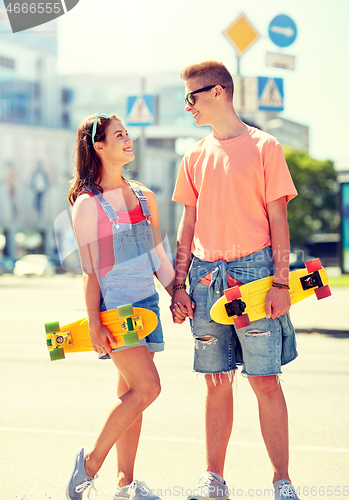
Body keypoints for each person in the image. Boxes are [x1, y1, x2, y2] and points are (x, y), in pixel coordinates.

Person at [171, 61, 300, 500]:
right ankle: (214, 480)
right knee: (215, 380)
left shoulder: (266, 147)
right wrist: (177, 284)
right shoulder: (193, 156)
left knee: (265, 379)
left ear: (219, 92)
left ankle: (282, 482)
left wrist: (281, 282)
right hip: (205, 278)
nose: (187, 105)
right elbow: (186, 225)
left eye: (192, 96)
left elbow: (279, 220)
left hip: (254, 276)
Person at [66, 113, 185, 500]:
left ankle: (126, 484)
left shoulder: (144, 196)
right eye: (119, 135)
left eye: (127, 134)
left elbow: (159, 259)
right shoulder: (87, 204)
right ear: (99, 146)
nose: (127, 140)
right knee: (149, 388)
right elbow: (91, 273)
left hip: (147, 304)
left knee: (133, 395)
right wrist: (94, 323)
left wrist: (176, 294)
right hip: (116, 309)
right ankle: (89, 466)